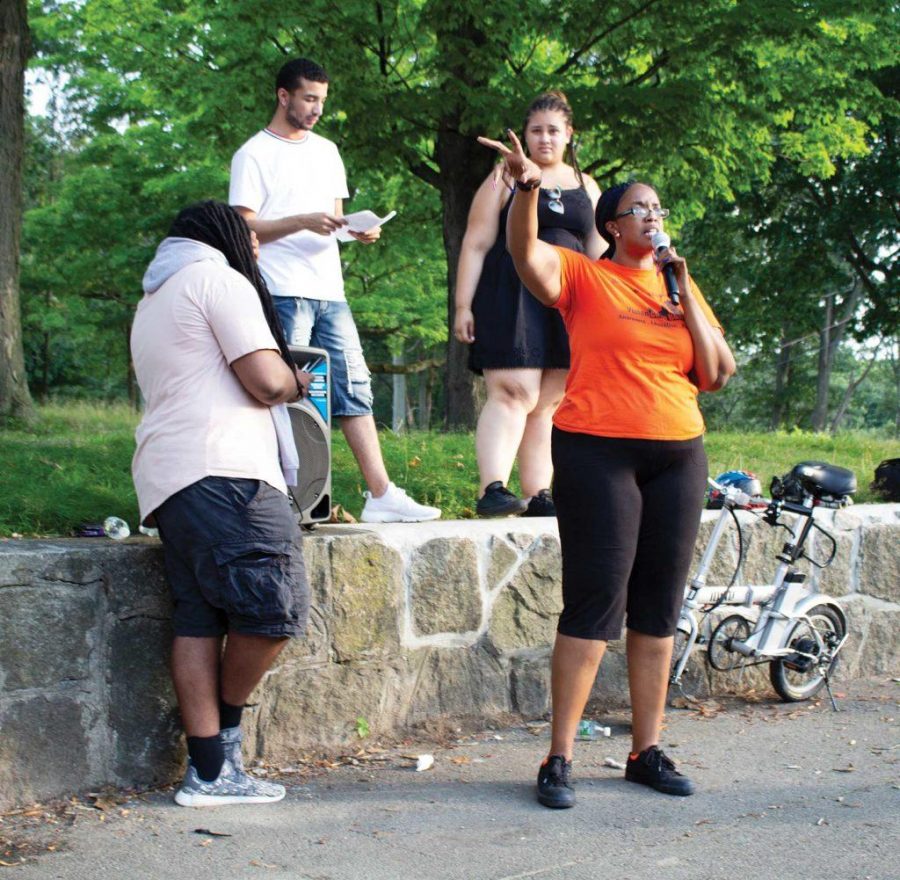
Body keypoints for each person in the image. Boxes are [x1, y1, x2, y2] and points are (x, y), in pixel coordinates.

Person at [479, 131, 736, 807]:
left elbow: (718, 371)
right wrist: (528, 191)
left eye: (659, 209)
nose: (654, 216)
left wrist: (681, 287)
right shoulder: (586, 276)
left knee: (658, 609)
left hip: (679, 453)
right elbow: (523, 255)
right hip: (597, 451)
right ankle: (558, 757)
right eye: (640, 209)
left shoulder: (679, 286)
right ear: (614, 225)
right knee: (595, 602)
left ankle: (645, 751)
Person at [131, 201, 312, 806]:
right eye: (250, 239)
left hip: (170, 478)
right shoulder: (217, 278)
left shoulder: (154, 297)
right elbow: (264, 381)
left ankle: (208, 774)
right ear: (223, 236)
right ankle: (226, 741)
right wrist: (297, 380)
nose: (256, 250)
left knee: (198, 618)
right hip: (226, 470)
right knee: (272, 610)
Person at [229, 57, 439, 524]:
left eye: (322, 100)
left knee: (354, 387)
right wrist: (300, 220)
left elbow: (334, 222)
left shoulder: (327, 151)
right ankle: (285, 498)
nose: (317, 109)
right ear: (283, 96)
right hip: (282, 289)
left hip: (330, 290)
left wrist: (357, 231)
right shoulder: (253, 154)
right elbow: (242, 228)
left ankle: (381, 494)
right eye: (308, 99)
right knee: (287, 392)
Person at [454, 92, 605, 518]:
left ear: (569, 135)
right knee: (514, 391)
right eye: (535, 130)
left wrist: (603, 307)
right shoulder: (503, 176)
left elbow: (597, 249)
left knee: (549, 403)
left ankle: (539, 494)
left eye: (553, 131)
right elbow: (477, 241)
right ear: (524, 135)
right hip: (512, 293)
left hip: (568, 297)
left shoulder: (585, 184)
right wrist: (463, 305)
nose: (544, 138)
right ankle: (493, 489)